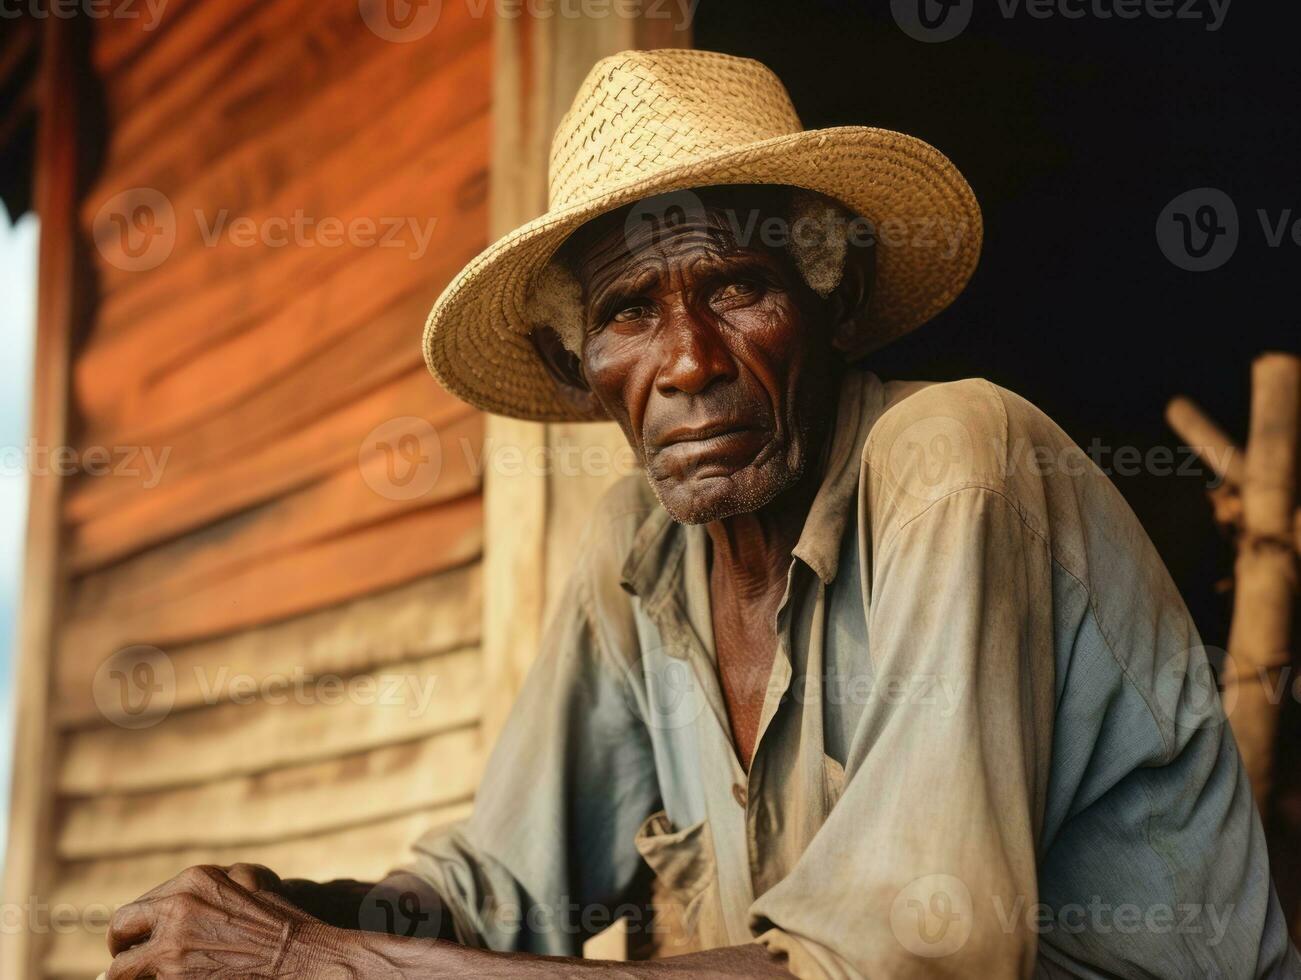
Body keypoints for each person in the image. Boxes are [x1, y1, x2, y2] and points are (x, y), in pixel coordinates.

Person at [103, 48, 1299, 980]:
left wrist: (337, 960)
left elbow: (907, 961)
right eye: (629, 310)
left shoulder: (952, 461)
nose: (685, 361)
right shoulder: (637, 551)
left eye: (736, 285)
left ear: (829, 298)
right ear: (580, 368)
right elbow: (503, 888)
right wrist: (287, 907)